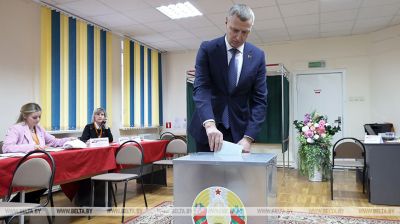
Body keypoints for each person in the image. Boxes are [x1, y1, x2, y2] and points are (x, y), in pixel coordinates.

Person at [188, 4, 267, 153]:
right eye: (234, 30)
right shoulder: (208, 49)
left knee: (235, 177)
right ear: (226, 23)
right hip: (208, 130)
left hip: (239, 135)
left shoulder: (257, 56)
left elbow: (260, 101)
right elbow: (201, 88)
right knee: (206, 176)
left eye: (245, 32)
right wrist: (209, 125)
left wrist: (249, 137)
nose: (239, 37)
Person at [2, 102, 73, 203]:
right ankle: (19, 205)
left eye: (39, 117)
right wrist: (32, 147)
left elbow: (53, 141)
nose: (38, 120)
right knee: (47, 177)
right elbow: (6, 147)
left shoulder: (39, 128)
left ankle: (26, 203)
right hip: (24, 166)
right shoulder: (16, 128)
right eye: (34, 117)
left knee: (55, 174)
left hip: (39, 163)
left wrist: (69, 140)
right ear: (25, 116)